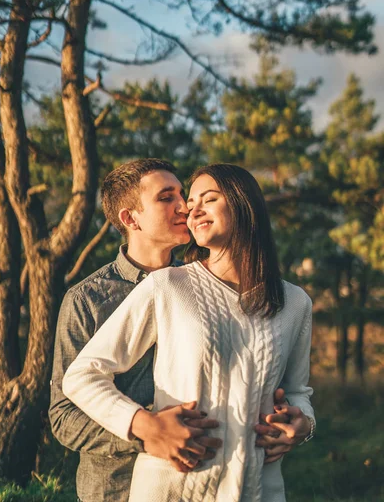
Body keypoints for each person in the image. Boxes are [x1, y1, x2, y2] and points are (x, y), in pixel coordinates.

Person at [62, 163, 315, 502]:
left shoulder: (295, 302)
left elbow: (298, 392)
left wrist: (302, 425)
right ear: (129, 219)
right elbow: (80, 377)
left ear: (244, 205)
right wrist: (146, 426)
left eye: (206, 199)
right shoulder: (167, 286)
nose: (189, 209)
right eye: (183, 200)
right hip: (171, 488)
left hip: (259, 490)